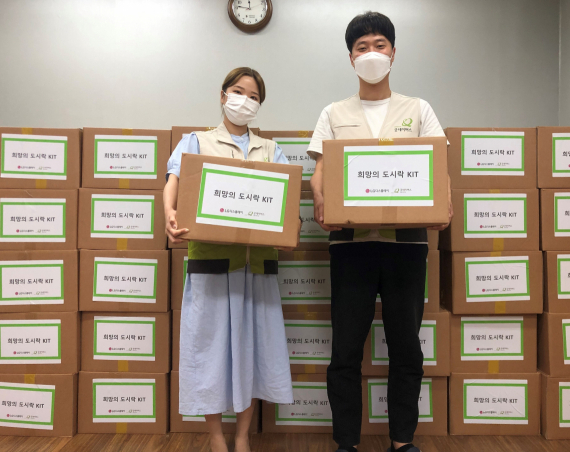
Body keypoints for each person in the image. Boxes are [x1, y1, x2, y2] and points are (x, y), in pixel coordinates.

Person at [307, 12, 453, 452]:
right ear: (350, 57)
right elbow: (320, 171)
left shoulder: (419, 109)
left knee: (406, 347)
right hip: (350, 246)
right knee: (345, 349)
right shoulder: (334, 112)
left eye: (379, 45)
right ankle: (346, 443)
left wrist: (444, 204)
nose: (371, 53)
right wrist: (319, 201)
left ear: (393, 52)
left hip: (406, 246)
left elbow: (438, 166)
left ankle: (402, 441)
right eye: (362, 47)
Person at [164, 67, 294, 452]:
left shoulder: (270, 149)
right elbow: (173, 181)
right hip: (212, 267)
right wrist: (169, 213)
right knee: (209, 353)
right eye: (238, 92)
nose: (245, 101)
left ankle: (242, 437)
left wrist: (292, 226)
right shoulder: (196, 142)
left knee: (252, 352)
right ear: (223, 96)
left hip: (257, 268)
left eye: (254, 97)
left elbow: (286, 201)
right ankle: (216, 437)